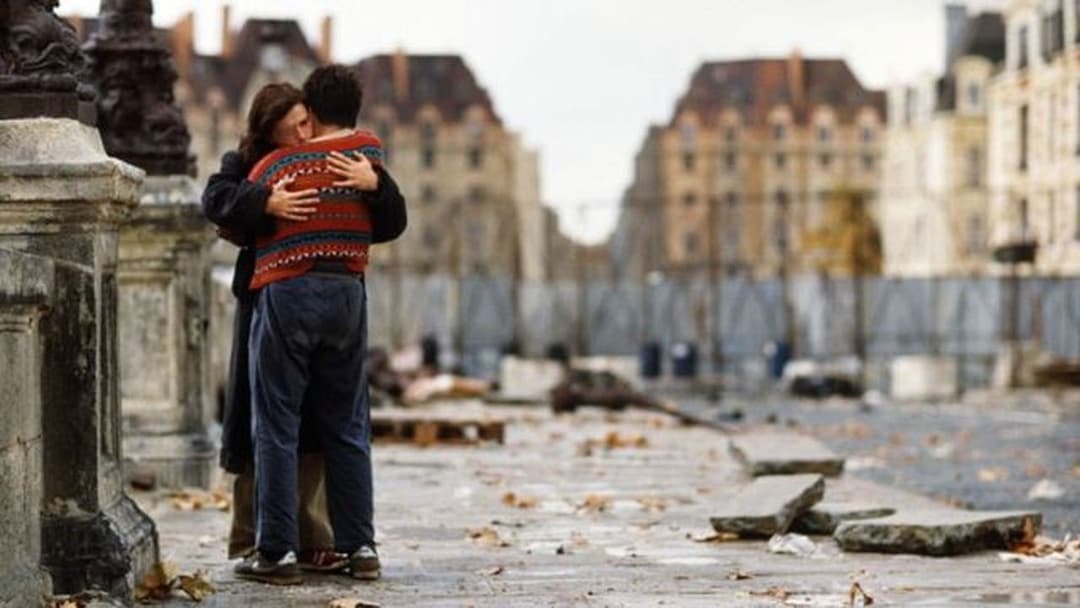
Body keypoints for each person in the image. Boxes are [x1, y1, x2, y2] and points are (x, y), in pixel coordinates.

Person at [200, 82, 405, 575]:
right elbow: (216, 198)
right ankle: (348, 546)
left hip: (287, 298)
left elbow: (392, 218)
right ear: (270, 129)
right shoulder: (254, 165)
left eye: (307, 121)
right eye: (295, 126)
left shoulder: (346, 164)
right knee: (320, 426)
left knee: (288, 426)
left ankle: (288, 548)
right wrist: (264, 202)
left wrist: (375, 184)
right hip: (279, 302)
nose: (305, 133)